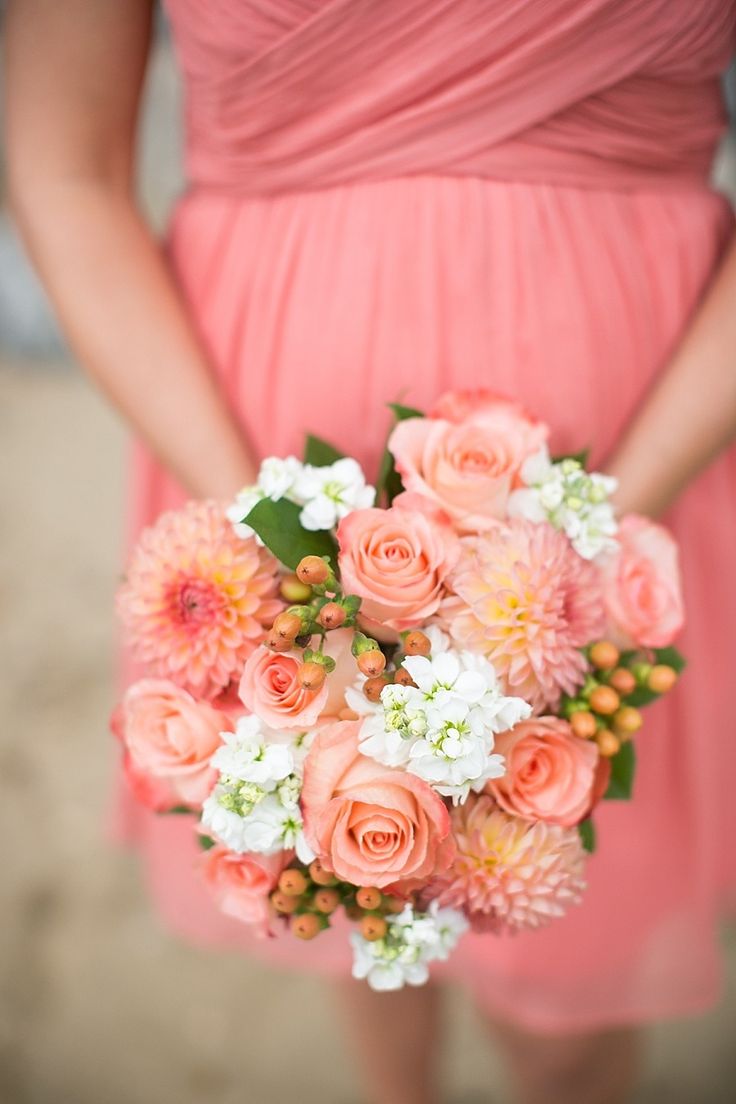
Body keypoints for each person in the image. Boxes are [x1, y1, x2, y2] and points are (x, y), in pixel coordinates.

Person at [5, 2, 736, 1103]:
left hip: (642, 437)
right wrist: (261, 529)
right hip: (256, 439)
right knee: (350, 876)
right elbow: (63, 170)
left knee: (566, 1011)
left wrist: (605, 519)